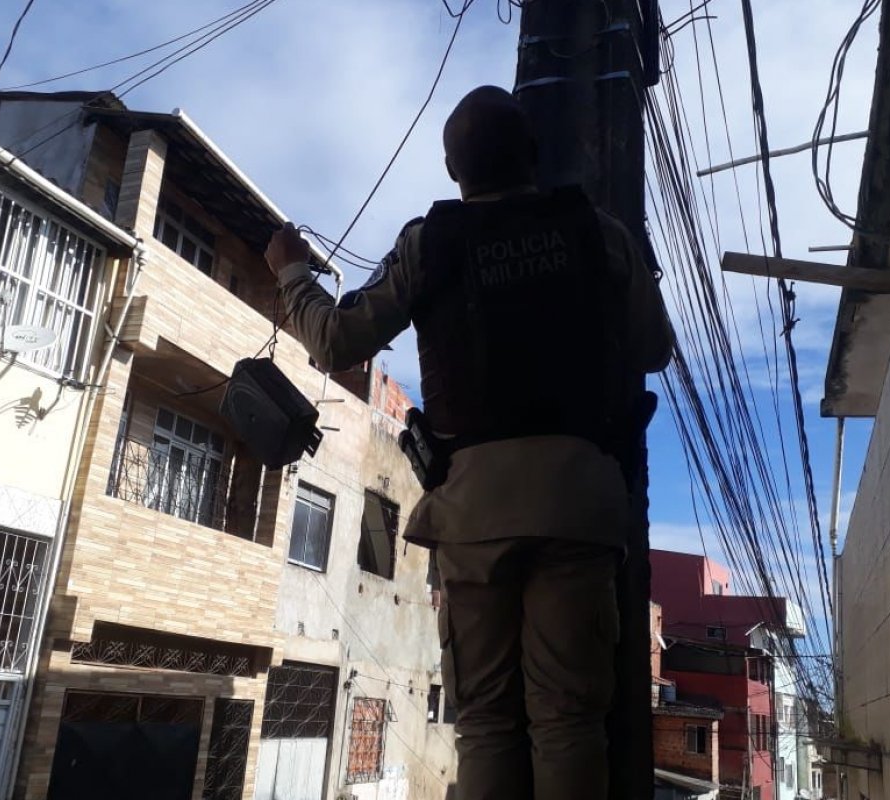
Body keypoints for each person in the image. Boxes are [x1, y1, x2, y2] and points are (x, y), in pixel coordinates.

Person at [264, 85, 673, 800]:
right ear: (534, 156)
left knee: (485, 723)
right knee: (570, 722)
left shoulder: (430, 243)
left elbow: (333, 341)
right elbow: (655, 348)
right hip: (580, 504)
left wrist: (291, 270)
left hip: (473, 513)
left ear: (454, 170)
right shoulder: (600, 233)